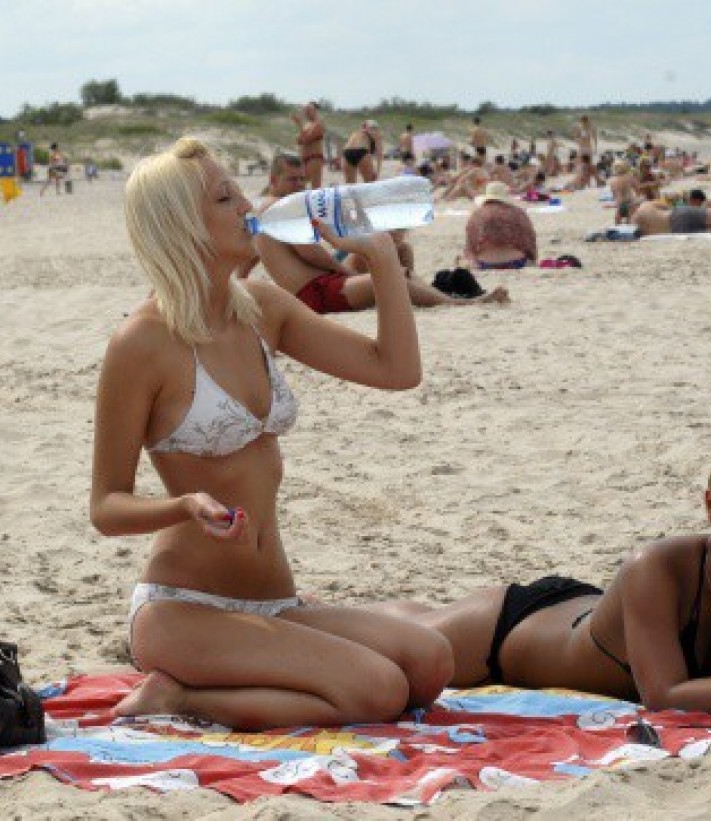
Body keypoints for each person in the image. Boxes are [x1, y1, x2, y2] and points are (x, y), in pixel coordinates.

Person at [93, 137, 455, 731]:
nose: (248, 206)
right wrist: (184, 505)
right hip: (185, 611)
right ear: (181, 224)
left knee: (430, 659)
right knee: (380, 690)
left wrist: (380, 257)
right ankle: (178, 698)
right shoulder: (141, 343)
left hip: (274, 602)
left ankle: (220, 680)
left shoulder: (261, 307)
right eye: (225, 198)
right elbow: (106, 506)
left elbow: (397, 370)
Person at [371, 434, 711, 715]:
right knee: (388, 640)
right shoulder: (656, 566)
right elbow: (665, 698)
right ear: (710, 507)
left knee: (410, 621)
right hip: (504, 634)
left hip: (589, 612)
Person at [249, 155, 508, 309]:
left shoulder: (281, 208)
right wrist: (347, 272)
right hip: (315, 292)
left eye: (301, 179)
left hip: (325, 281)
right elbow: (311, 255)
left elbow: (249, 257)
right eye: (291, 179)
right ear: (273, 180)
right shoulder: (276, 210)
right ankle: (461, 303)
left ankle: (417, 295)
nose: (299, 185)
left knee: (400, 251)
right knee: (393, 277)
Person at [463, 181, 537, 269]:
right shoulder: (518, 213)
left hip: (485, 263)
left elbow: (471, 244)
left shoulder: (477, 215)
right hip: (516, 261)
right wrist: (532, 257)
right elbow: (529, 240)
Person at [292, 102, 325, 188]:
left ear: (315, 111)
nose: (306, 112)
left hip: (314, 158)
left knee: (311, 186)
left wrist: (299, 125)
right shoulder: (307, 125)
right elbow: (299, 140)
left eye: (309, 110)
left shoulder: (318, 124)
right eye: (305, 110)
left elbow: (306, 139)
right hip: (304, 159)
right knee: (303, 185)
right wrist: (301, 129)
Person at [608, 160, 642, 225]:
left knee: (617, 222)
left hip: (619, 204)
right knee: (630, 222)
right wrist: (638, 199)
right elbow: (638, 189)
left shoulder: (612, 180)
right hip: (630, 202)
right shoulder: (629, 177)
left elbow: (614, 195)